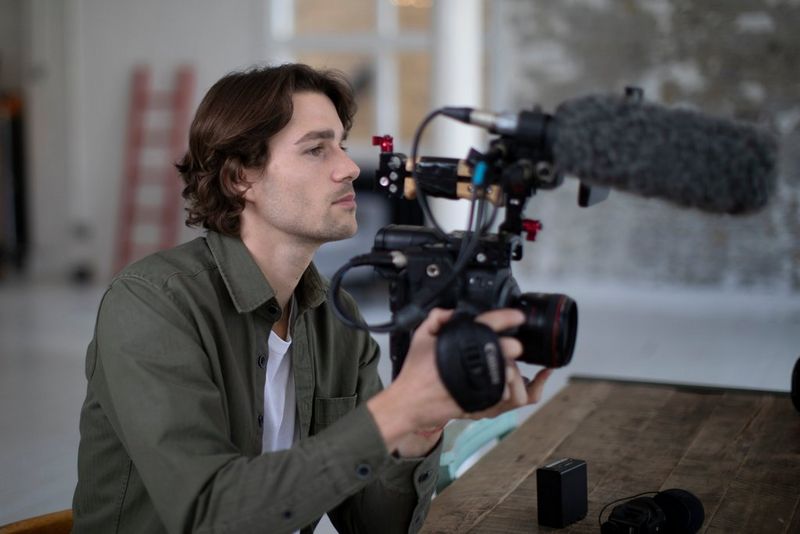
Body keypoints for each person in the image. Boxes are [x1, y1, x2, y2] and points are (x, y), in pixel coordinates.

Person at [72, 63, 552, 534]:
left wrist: (424, 421)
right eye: (316, 149)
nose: (347, 167)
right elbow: (207, 515)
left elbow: (375, 525)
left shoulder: (337, 320)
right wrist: (395, 410)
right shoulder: (152, 304)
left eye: (341, 145)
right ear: (241, 177)